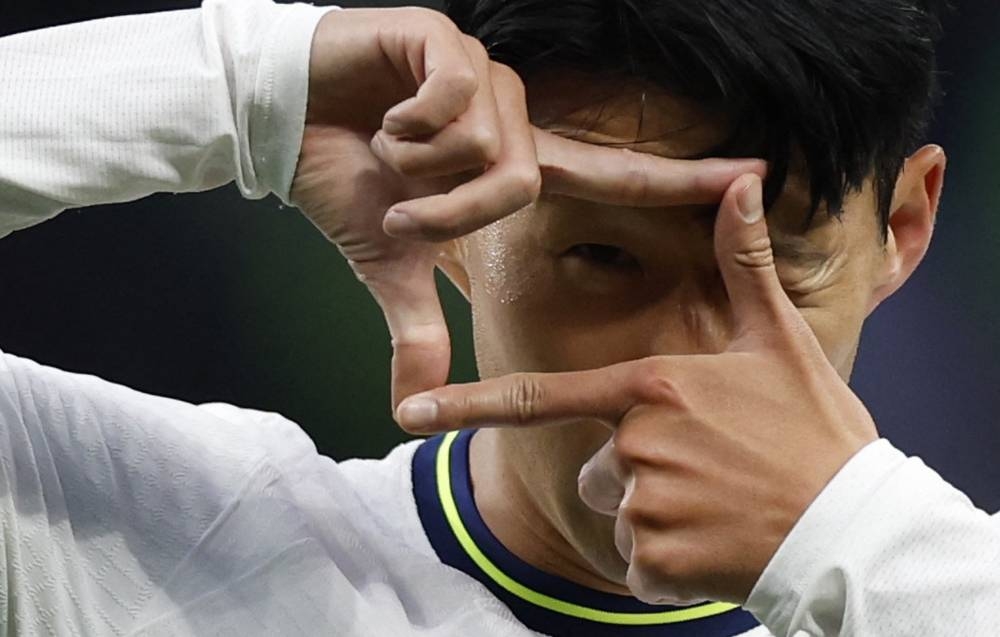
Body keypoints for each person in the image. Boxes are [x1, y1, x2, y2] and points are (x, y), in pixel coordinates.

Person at [0, 2, 996, 637]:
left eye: (780, 261)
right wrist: (248, 87)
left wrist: (853, 536)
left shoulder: (935, 576)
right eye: (604, 257)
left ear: (902, 229)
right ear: (448, 215)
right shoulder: (139, 548)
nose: (684, 370)